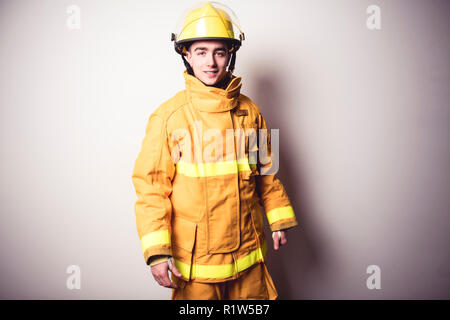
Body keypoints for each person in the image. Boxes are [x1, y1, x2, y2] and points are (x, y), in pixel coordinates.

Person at [131, 1, 298, 300]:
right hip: (197, 268)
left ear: (230, 55)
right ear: (186, 54)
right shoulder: (169, 117)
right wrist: (157, 252)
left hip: (249, 260)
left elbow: (267, 175)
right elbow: (151, 189)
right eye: (201, 52)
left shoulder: (251, 112)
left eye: (219, 52)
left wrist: (278, 220)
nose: (210, 62)